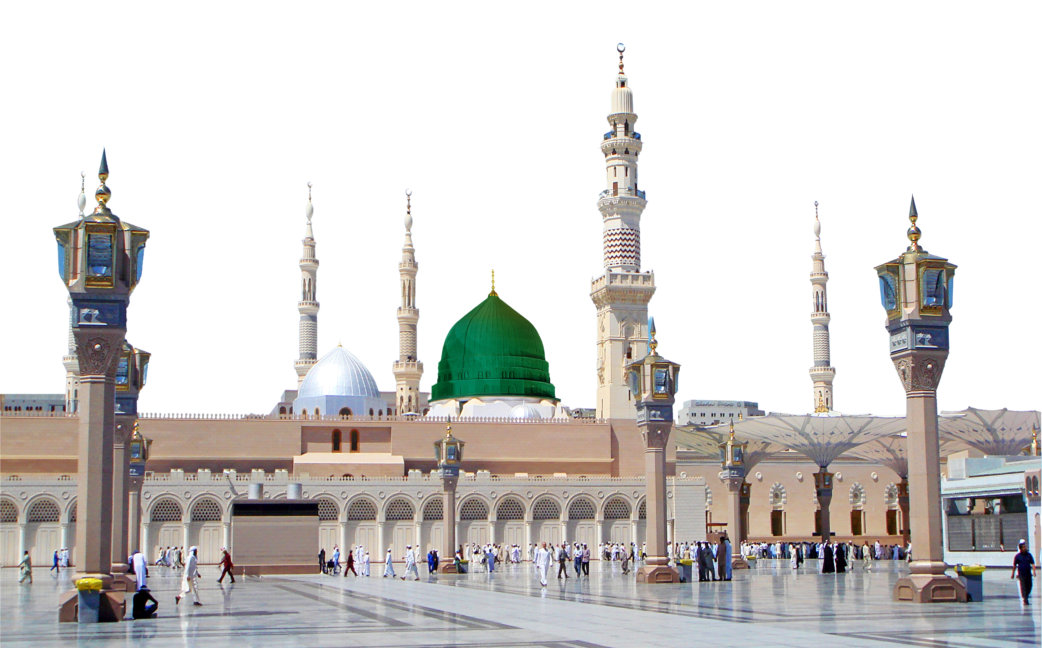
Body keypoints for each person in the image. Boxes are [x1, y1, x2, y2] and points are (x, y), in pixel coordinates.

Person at [1011, 539, 1037, 605]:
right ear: (1020, 548)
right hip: (1021, 574)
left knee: (1029, 586)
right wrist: (1013, 574)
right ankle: (1025, 599)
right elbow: (1014, 566)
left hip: (1028, 574)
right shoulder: (1017, 556)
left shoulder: (1029, 555)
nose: (1025, 548)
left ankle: (1026, 596)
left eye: (1025, 547)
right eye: (1023, 547)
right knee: (1023, 586)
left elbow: (1033, 564)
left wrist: (1034, 571)